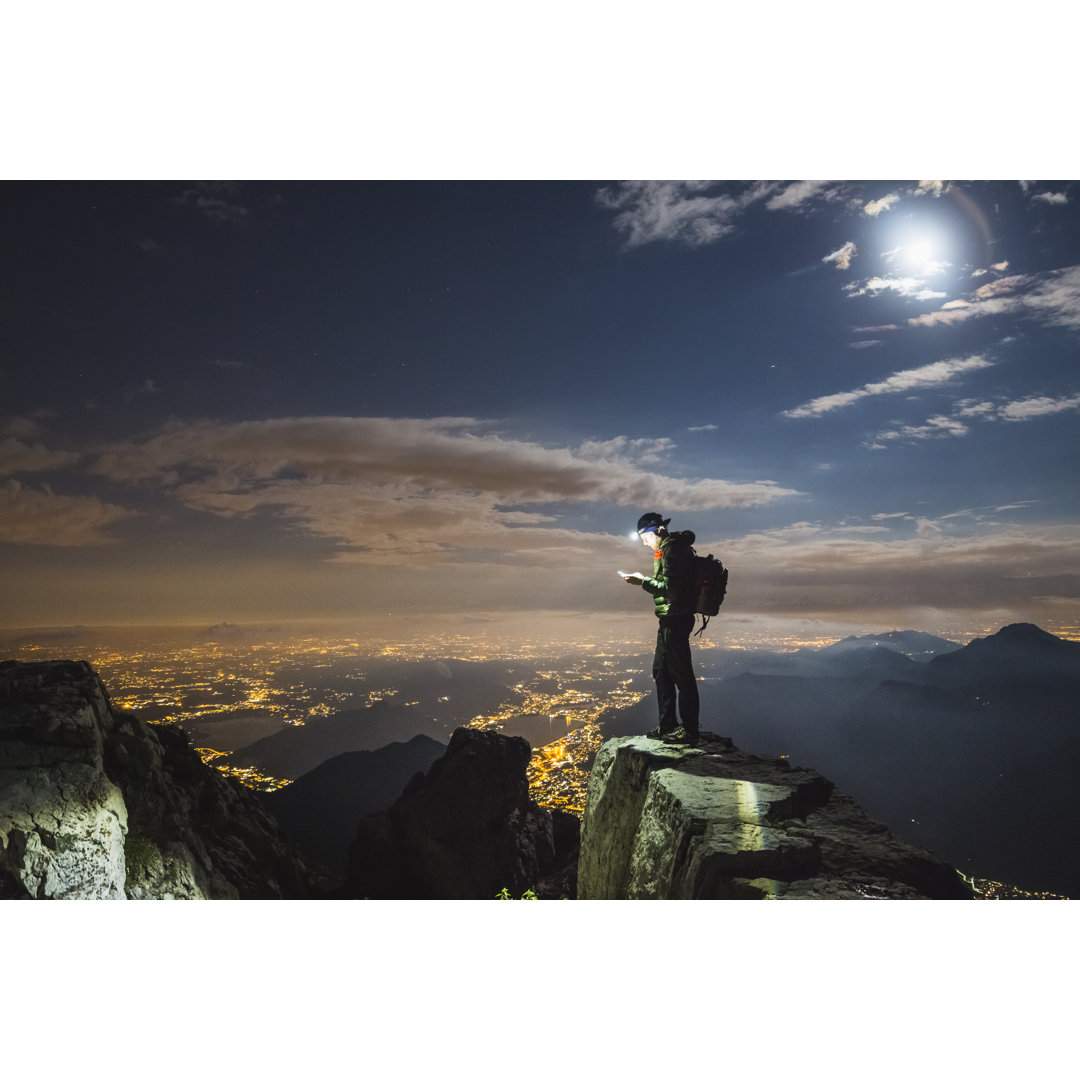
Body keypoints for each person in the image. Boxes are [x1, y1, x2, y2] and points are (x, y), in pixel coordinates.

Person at [619, 512, 700, 746]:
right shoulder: (666, 549)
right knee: (661, 671)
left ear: (658, 530)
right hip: (669, 618)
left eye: (645, 535)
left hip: (676, 618)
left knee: (681, 675)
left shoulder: (672, 550)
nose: (643, 541)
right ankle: (667, 725)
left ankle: (690, 730)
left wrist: (642, 581)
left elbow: (672, 590)